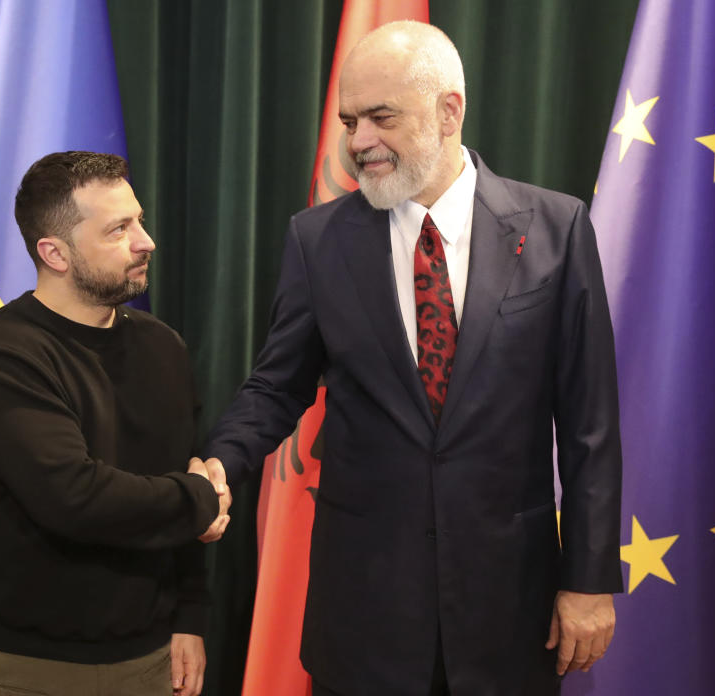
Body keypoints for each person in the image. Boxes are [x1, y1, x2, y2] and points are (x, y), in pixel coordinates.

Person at [203, 21, 622, 696]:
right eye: (349, 121)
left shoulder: (556, 229)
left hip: (510, 612)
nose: (359, 141)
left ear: (448, 110)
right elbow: (276, 388)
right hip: (366, 615)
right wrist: (221, 460)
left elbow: (590, 426)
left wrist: (590, 581)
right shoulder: (318, 240)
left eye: (381, 117)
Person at [0, 151, 230, 696]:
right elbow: (73, 497)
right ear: (54, 253)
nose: (145, 240)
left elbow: (180, 477)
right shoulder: (5, 356)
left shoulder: (162, 347)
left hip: (150, 656)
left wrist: (190, 615)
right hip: (25, 666)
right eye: (119, 229)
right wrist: (198, 499)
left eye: (139, 220)